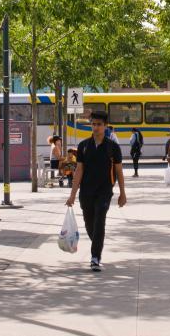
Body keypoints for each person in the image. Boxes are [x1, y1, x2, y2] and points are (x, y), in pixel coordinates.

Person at [67, 110, 127, 271]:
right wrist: (72, 194)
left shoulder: (113, 147)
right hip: (86, 192)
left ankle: (95, 257)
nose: (96, 127)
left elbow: (119, 171)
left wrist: (123, 193)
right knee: (89, 224)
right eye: (93, 124)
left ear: (105, 126)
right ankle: (97, 243)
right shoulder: (84, 146)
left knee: (100, 220)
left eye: (99, 124)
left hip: (105, 191)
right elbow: (78, 170)